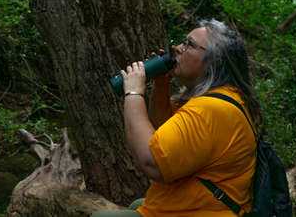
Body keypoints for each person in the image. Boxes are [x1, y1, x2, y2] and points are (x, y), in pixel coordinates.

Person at [92, 19, 259, 217]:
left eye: (189, 45)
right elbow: (166, 133)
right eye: (182, 41)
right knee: (137, 204)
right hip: (205, 205)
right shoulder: (228, 98)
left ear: (216, 61)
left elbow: (152, 162)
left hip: (203, 211)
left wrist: (134, 93)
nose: (177, 48)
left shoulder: (208, 110)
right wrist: (161, 86)